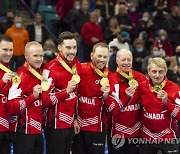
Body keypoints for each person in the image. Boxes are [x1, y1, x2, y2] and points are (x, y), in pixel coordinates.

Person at [72, 42, 122, 154]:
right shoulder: (81, 70)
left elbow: (115, 109)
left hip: (97, 129)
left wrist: (106, 97)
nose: (102, 59)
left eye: (105, 57)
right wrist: (74, 119)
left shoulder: (112, 78)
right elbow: (72, 96)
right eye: (99, 56)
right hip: (77, 128)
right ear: (91, 55)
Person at [127, 57, 180, 154]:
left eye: (160, 72)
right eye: (154, 71)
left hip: (168, 136)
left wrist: (166, 102)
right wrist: (128, 98)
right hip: (147, 137)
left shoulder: (175, 89)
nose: (157, 75)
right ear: (148, 72)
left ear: (166, 71)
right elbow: (132, 110)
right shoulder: (141, 87)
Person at [41, 31, 82, 154]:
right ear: (59, 48)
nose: (72, 51)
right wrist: (66, 91)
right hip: (54, 126)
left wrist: (75, 118)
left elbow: (76, 95)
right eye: (68, 47)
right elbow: (44, 100)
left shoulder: (77, 65)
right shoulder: (49, 69)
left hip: (70, 124)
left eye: (74, 47)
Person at [7, 41, 44, 153]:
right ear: (26, 57)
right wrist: (33, 96)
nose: (39, 59)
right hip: (22, 133)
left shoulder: (40, 73)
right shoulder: (20, 76)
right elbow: (11, 107)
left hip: (37, 131)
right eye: (35, 56)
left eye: (41, 55)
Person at [108, 49, 147, 154]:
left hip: (136, 132)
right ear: (117, 61)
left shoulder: (141, 78)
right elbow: (111, 109)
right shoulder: (111, 79)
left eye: (129, 60)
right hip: (117, 132)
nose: (126, 62)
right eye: (123, 60)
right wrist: (126, 98)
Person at [0, 34, 13, 154]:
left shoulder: (9, 71)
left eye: (10, 50)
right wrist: (2, 81)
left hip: (5, 127)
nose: (8, 53)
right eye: (5, 49)